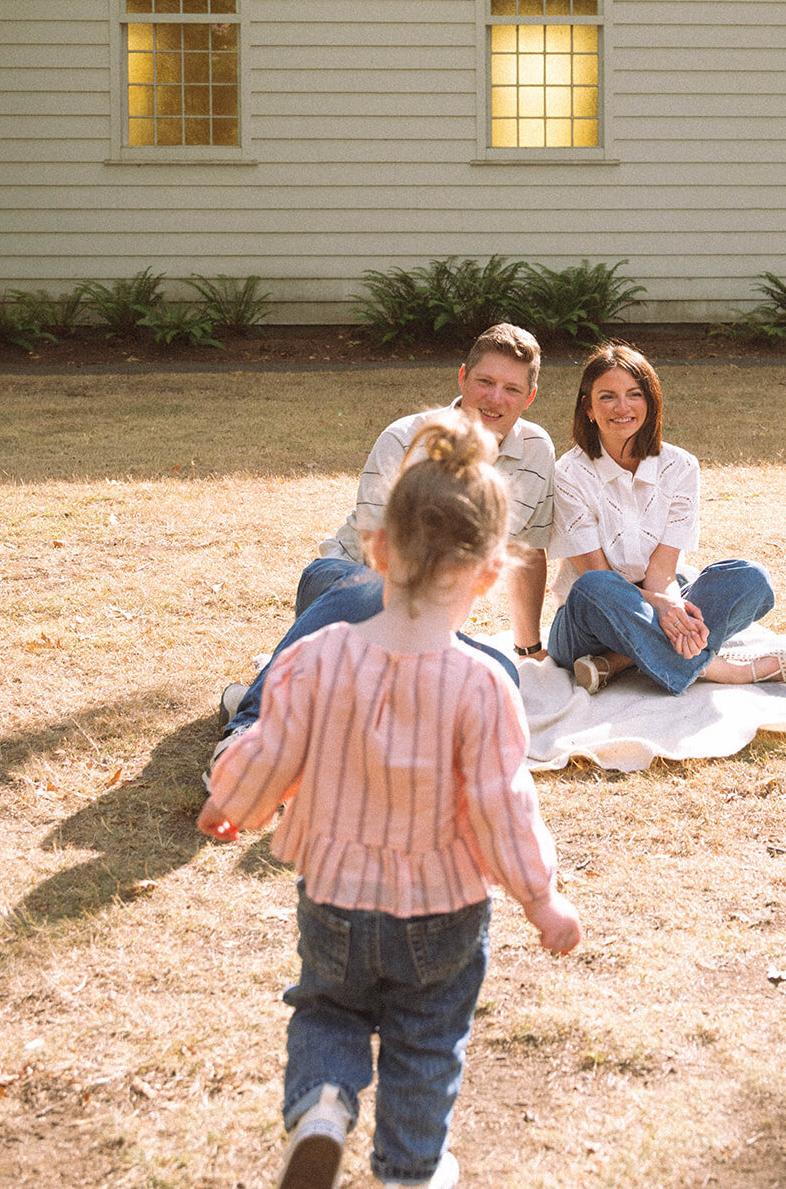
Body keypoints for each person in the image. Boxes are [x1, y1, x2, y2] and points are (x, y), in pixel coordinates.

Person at [198, 411, 581, 1189]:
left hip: (335, 895)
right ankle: (410, 1169)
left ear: (376, 550)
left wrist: (229, 801)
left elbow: (272, 747)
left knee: (328, 1012)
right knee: (427, 1039)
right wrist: (542, 899)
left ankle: (323, 1106)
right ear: (488, 573)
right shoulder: (482, 685)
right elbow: (502, 805)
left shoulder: (317, 656)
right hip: (442, 912)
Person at [206, 323, 554, 786]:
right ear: (462, 379)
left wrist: (528, 649)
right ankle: (248, 732)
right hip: (346, 582)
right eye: (485, 383)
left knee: (503, 676)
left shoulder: (536, 451)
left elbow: (526, 548)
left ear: (529, 398)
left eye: (511, 389)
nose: (495, 399)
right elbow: (379, 555)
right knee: (368, 591)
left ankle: (310, 713)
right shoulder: (406, 438)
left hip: (431, 616)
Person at [545, 343, 786, 695]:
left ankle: (619, 661)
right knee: (595, 587)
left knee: (750, 579)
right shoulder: (567, 474)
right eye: (607, 397)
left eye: (634, 394)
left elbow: (662, 572)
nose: (622, 408)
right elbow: (598, 575)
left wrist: (671, 605)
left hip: (659, 594)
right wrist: (664, 607)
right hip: (588, 622)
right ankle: (728, 671)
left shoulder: (681, 467)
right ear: (589, 408)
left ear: (650, 402)